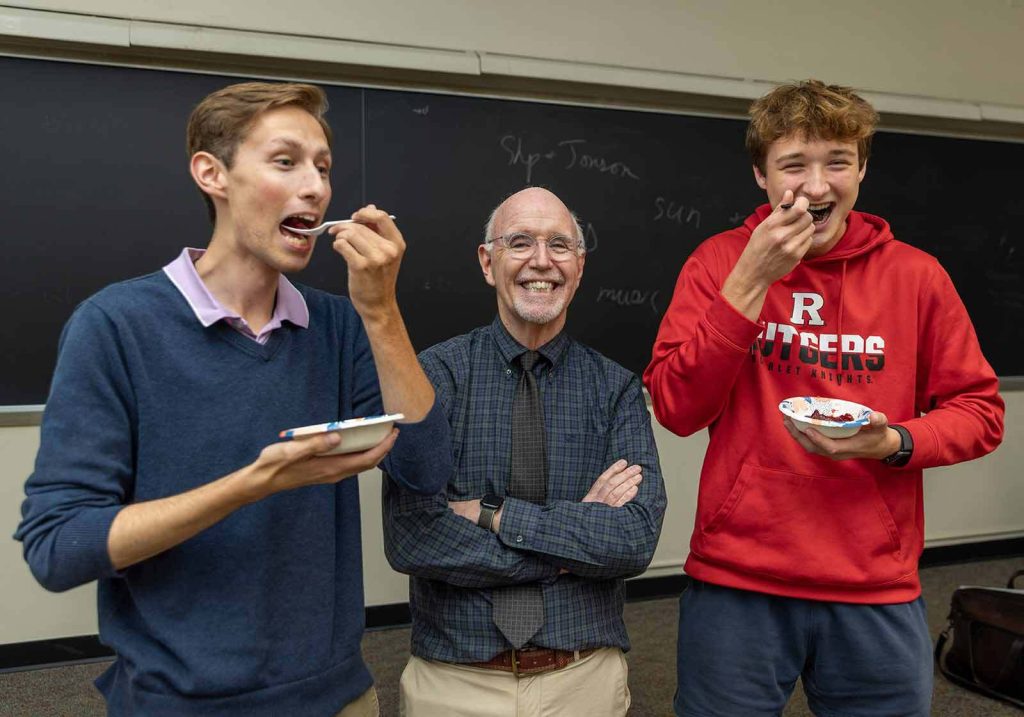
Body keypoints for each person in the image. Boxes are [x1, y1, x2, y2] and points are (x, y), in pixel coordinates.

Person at [14, 81, 451, 717]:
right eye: (285, 161)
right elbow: (59, 548)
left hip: (339, 699)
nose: (316, 188)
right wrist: (250, 484)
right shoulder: (114, 326)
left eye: (323, 169)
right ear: (211, 173)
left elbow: (426, 467)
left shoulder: (338, 325)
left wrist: (380, 310)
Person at [644, 78, 1005, 717]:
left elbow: (979, 413)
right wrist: (750, 282)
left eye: (837, 162)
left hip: (874, 585)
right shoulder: (716, 263)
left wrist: (893, 442)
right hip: (738, 580)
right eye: (793, 165)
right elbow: (676, 409)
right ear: (760, 174)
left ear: (861, 170)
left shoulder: (917, 277)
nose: (816, 186)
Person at [382, 187, 667, 716]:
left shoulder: (617, 388)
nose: (542, 261)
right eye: (520, 242)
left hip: (585, 677)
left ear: (579, 267)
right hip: (455, 681)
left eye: (559, 244)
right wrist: (572, 542)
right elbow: (413, 538)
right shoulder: (432, 378)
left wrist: (494, 515)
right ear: (488, 263)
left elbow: (633, 539)